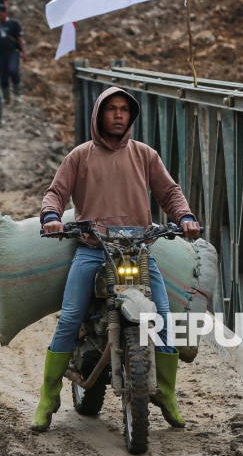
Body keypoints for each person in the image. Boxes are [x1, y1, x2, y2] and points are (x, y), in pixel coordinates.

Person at [36, 87, 201, 432]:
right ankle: (48, 396)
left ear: (131, 115)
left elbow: (169, 192)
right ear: (99, 114)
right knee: (69, 317)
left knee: (164, 316)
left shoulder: (145, 154)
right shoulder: (80, 156)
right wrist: (51, 214)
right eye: (111, 109)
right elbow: (55, 192)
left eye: (124, 109)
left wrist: (184, 217)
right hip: (93, 249)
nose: (118, 114)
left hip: (138, 250)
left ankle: (166, 392)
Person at [0, 4, 26, 103]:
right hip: (1, 54)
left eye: (1, 15)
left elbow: (20, 39)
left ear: (6, 13)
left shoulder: (14, 24)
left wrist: (24, 52)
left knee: (13, 70)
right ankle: (6, 97)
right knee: (2, 75)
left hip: (13, 52)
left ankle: (17, 94)